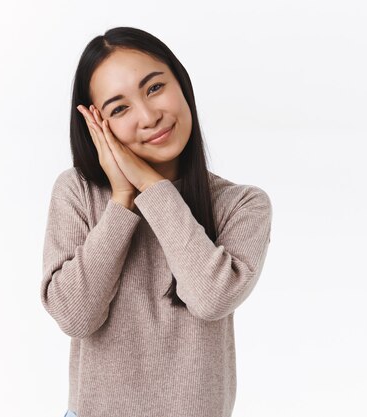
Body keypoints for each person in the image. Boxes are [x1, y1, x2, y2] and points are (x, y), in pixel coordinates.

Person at [40, 26, 272, 417]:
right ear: (98, 126)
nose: (149, 116)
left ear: (181, 84)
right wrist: (122, 201)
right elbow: (73, 316)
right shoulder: (78, 192)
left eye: (154, 88)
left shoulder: (242, 205)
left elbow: (209, 298)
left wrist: (149, 184)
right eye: (119, 108)